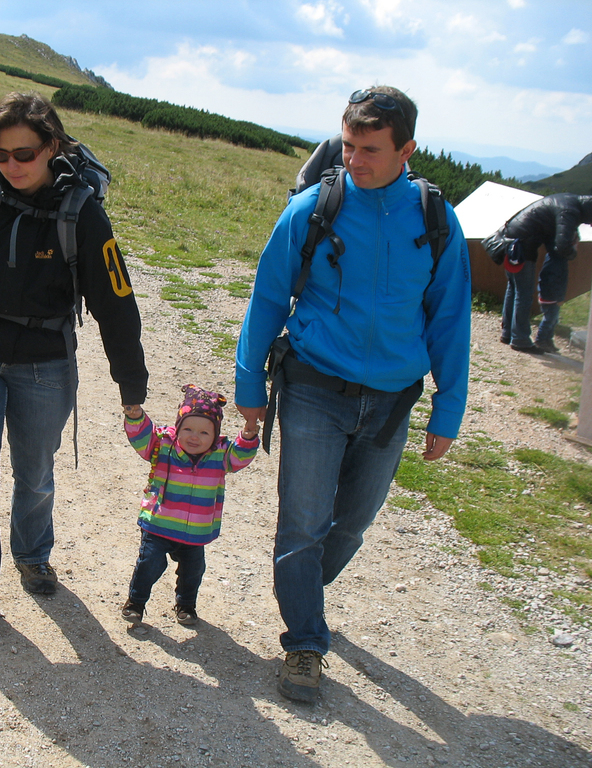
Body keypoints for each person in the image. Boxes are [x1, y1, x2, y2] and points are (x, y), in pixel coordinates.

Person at [234, 86, 471, 704]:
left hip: (394, 399)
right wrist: (249, 383)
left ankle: (303, 587)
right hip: (313, 386)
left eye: (369, 149)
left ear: (407, 150)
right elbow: (266, 299)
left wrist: (449, 408)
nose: (355, 161)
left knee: (353, 523)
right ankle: (305, 642)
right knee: (303, 524)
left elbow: (450, 320)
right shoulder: (314, 210)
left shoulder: (436, 221)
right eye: (347, 146)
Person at [0, 91, 148, 637]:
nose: (11, 166)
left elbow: (116, 300)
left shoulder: (83, 213)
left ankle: (32, 553)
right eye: (0, 155)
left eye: (25, 154)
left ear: (53, 147)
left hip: (46, 364)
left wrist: (130, 382)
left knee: (35, 474)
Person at [120, 385, 259, 626]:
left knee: (193, 571)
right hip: (159, 524)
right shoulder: (163, 446)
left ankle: (186, 605)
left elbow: (241, 457)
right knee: (149, 564)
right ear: (177, 429)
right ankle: (136, 602)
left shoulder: (221, 455)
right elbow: (143, 438)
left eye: (205, 433)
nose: (195, 437)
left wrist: (247, 435)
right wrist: (135, 415)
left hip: (196, 531)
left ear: (215, 436)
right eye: (188, 429)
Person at [499, 194, 592, 354]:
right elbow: (562, 244)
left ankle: (508, 333)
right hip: (522, 245)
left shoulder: (567, 201)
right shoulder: (570, 211)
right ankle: (520, 339)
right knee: (524, 293)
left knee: (514, 288)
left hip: (512, 239)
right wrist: (573, 251)